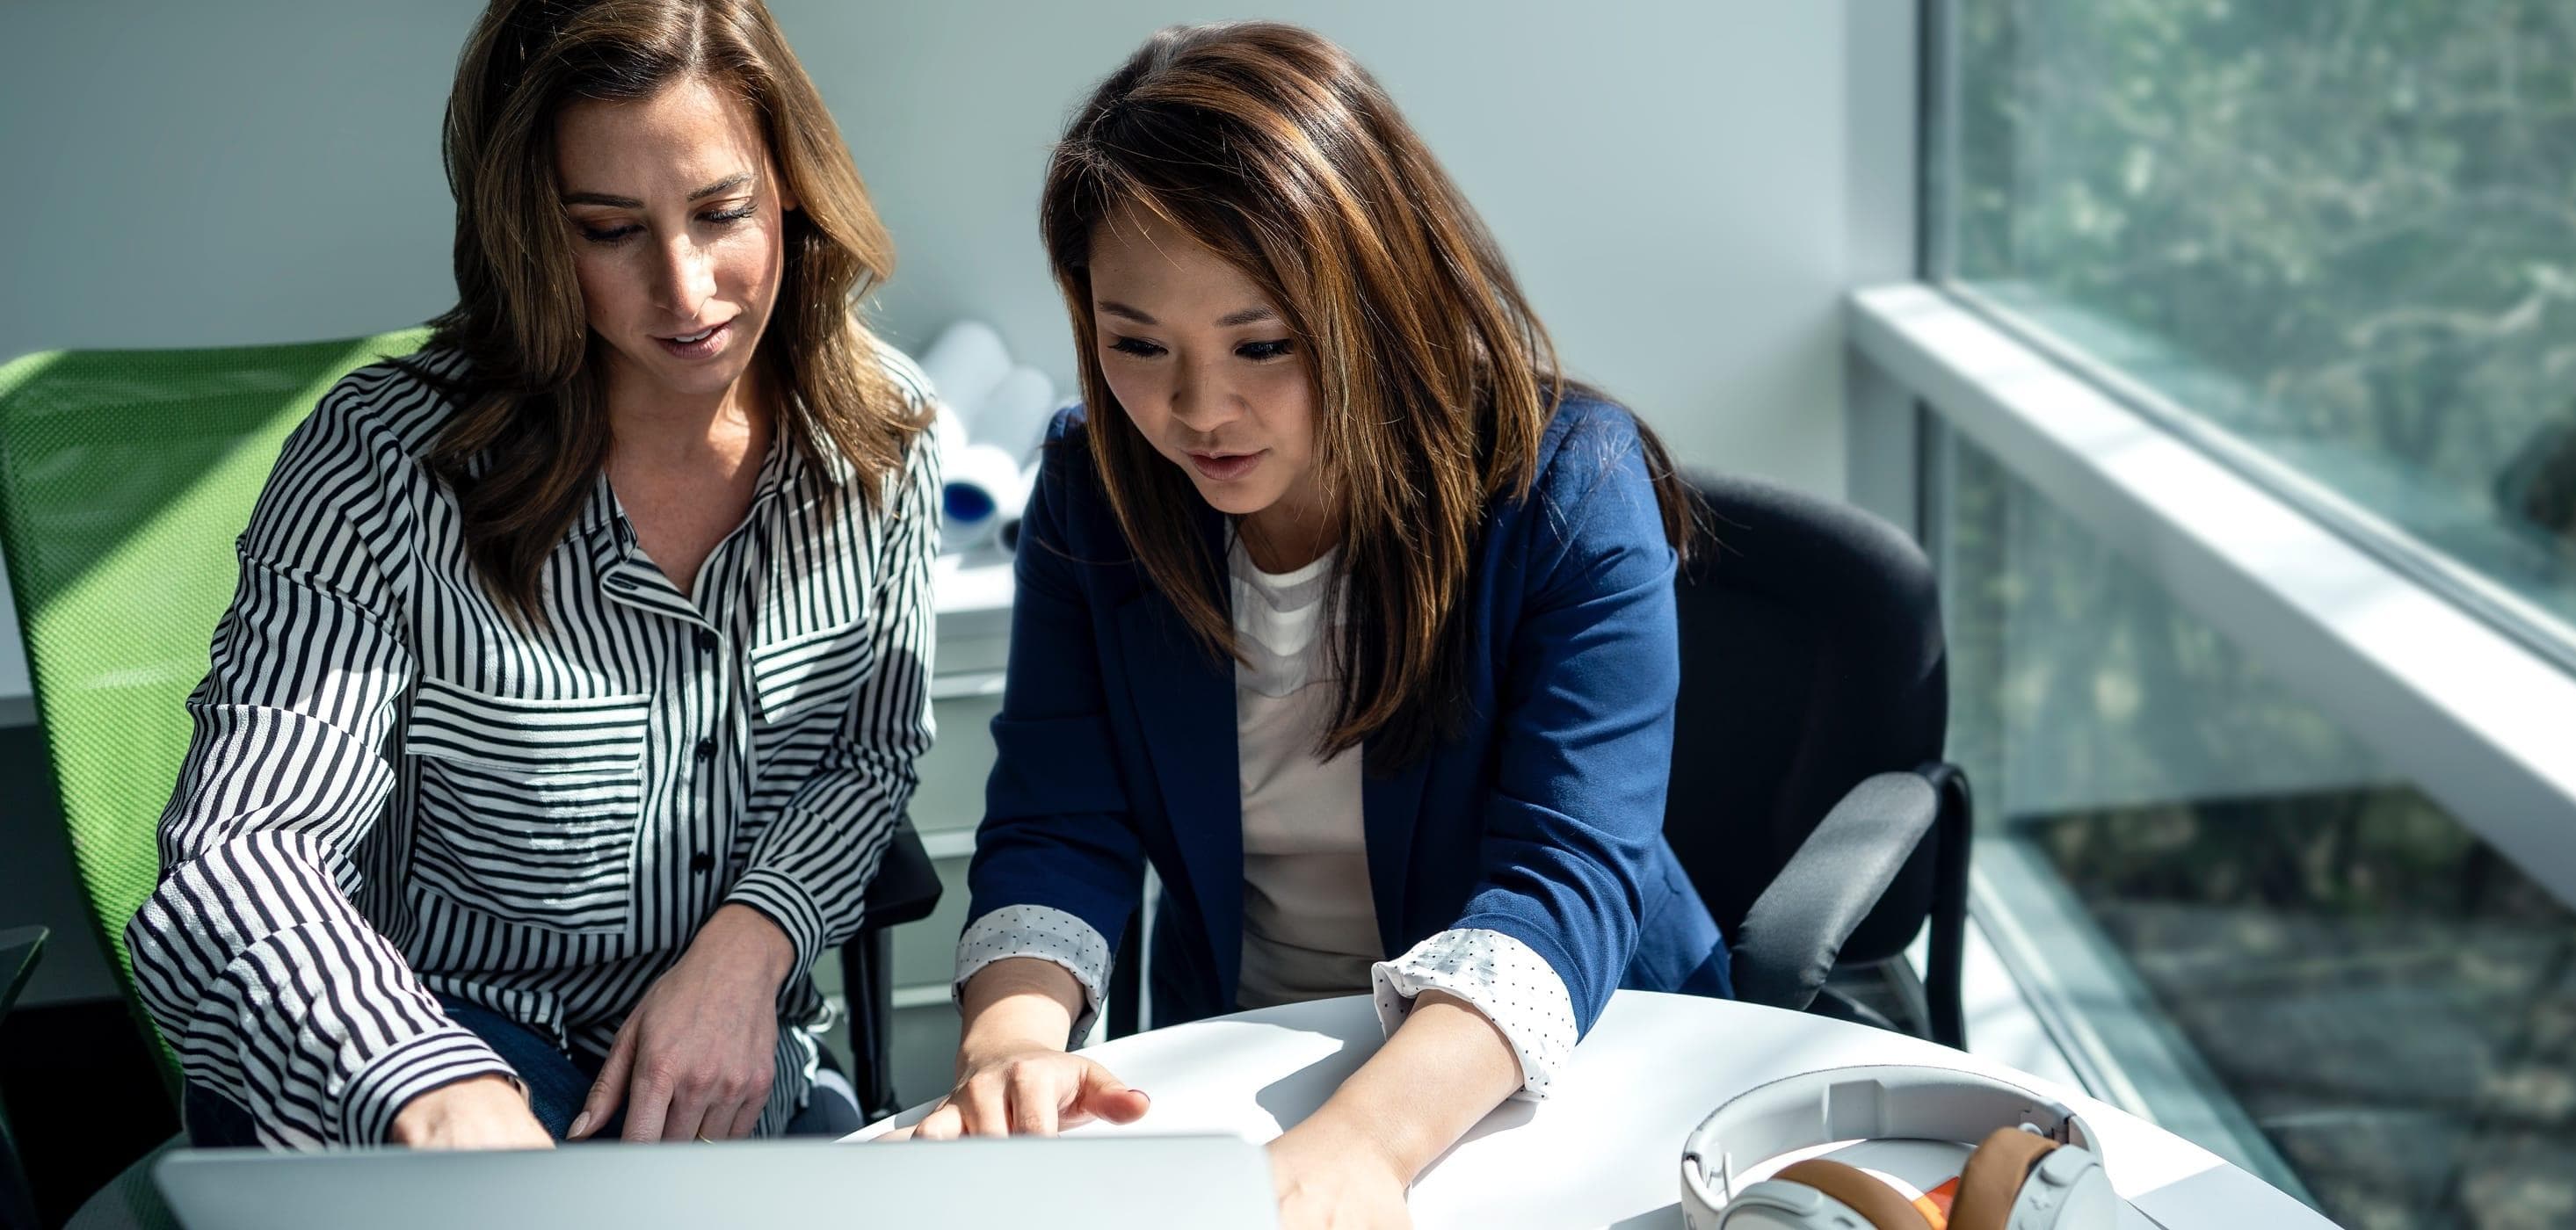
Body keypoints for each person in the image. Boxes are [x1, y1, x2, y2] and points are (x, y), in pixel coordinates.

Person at [911, 21, 1731, 1226]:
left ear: (1378, 299)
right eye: (1137, 346)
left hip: (1558, 1074)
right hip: (1236, 1069)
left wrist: (1359, 1147)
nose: (1198, 410)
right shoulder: (1096, 494)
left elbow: (1563, 881)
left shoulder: (1569, 493)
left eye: (1263, 345)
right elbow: (1057, 822)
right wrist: (1010, 1049)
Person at [126, 0, 937, 1149]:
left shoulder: (880, 438)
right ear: (531, 233)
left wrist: (751, 948)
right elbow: (244, 850)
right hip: (447, 1050)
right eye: (608, 229)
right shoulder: (383, 466)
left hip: (734, 1072)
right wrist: (419, 1081)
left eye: (722, 212)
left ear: (792, 187)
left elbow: (868, 753)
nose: (687, 286)